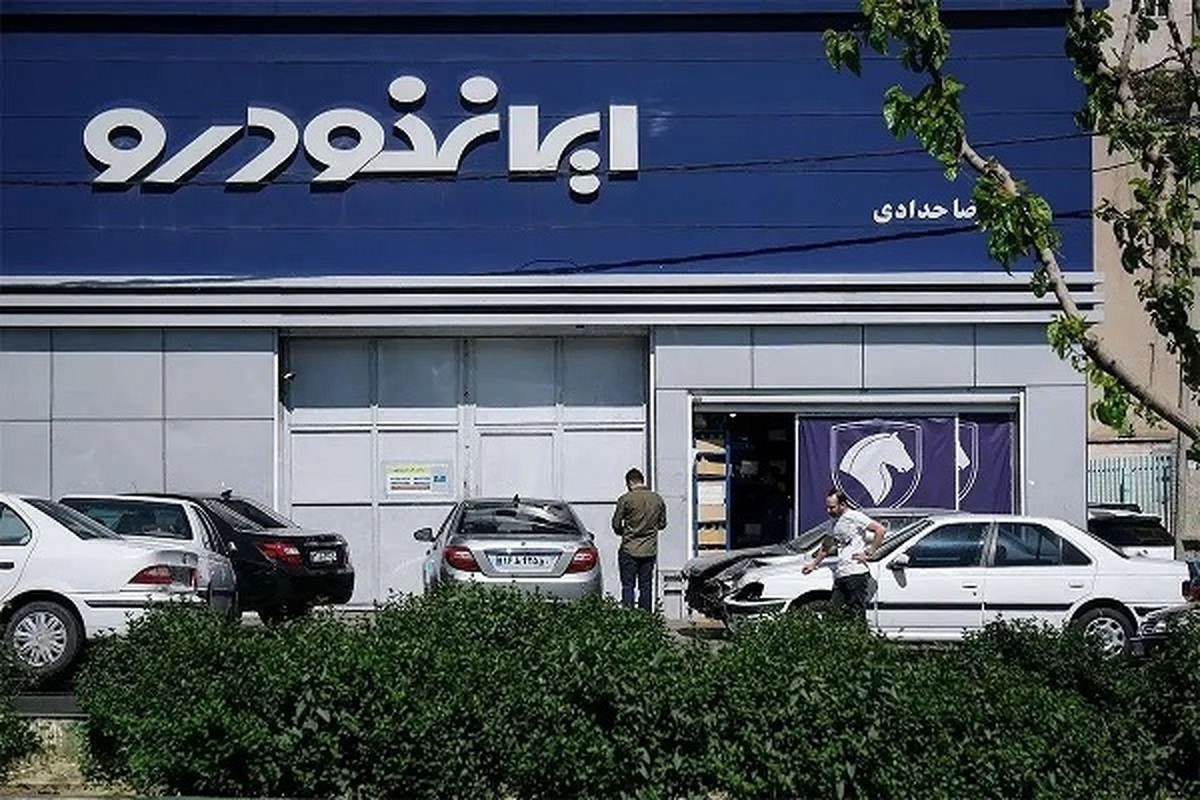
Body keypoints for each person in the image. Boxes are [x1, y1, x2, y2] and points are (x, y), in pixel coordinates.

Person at [802, 488, 886, 616]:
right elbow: (826, 546)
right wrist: (813, 564)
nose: (828, 511)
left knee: (856, 613)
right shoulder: (833, 521)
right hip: (841, 573)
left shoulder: (855, 517)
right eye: (827, 507)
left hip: (856, 573)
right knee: (834, 611)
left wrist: (869, 552)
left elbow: (880, 530)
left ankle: (860, 629)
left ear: (842, 504)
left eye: (832, 507)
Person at [611, 467, 667, 611]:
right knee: (646, 585)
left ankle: (629, 617)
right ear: (642, 480)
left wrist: (624, 532)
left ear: (629, 482)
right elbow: (662, 524)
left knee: (628, 585)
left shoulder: (625, 499)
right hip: (649, 550)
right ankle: (645, 617)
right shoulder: (657, 499)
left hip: (629, 549)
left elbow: (616, 524)